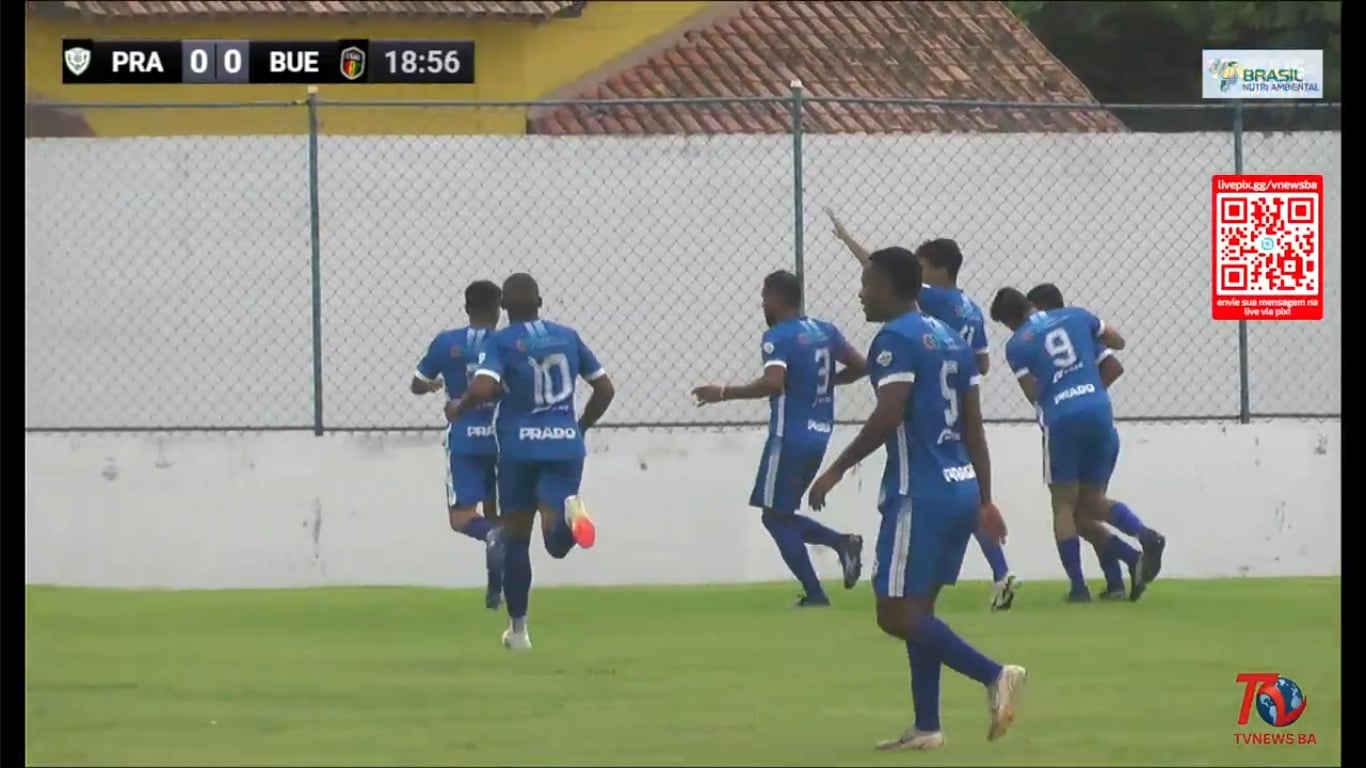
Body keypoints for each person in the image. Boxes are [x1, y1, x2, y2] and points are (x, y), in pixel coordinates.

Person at [809, 248, 1026, 750]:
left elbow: (889, 414)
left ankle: (995, 674)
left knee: (893, 613)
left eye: (867, 284)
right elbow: (973, 425)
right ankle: (927, 726)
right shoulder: (951, 338)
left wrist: (837, 469)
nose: (861, 294)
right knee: (919, 609)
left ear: (890, 287)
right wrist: (985, 497)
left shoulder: (895, 339)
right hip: (959, 486)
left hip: (919, 493)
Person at [825, 209, 1017, 612]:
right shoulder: (971, 310)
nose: (920, 272)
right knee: (965, 494)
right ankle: (1000, 571)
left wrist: (846, 238)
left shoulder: (928, 302)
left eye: (924, 265)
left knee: (898, 608)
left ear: (940, 270)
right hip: (956, 408)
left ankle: (988, 597)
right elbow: (981, 365)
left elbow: (884, 272)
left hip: (926, 415)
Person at [447, 273, 615, 651]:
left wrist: (461, 406)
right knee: (556, 543)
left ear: (504, 307)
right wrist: (580, 427)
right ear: (540, 302)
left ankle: (519, 630)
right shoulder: (568, 337)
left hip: (519, 449)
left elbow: (483, 386)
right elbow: (605, 388)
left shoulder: (500, 341)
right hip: (565, 447)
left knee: (517, 539)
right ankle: (571, 517)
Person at [692, 271, 867, 606]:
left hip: (789, 436)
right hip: (820, 433)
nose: (762, 304)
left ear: (775, 298)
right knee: (780, 514)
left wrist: (724, 393)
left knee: (774, 517)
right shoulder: (825, 331)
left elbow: (774, 383)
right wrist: (827, 384)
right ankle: (841, 545)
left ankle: (817, 590)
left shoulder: (778, 337)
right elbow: (861, 366)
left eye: (764, 298)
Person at [989, 287, 1157, 604]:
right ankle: (1141, 541)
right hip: (1099, 412)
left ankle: (1079, 587)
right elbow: (1118, 346)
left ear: (1009, 321)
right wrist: (1085, 384)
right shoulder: (1077, 318)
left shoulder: (1017, 344)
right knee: (1090, 505)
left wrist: (1059, 388)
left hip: (1062, 421)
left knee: (1064, 507)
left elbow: (1033, 394)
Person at [410, 280, 505, 610]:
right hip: (501, 438)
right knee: (499, 514)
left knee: (461, 516)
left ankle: (488, 536)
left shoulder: (446, 342)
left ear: (467, 308)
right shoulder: (506, 343)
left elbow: (417, 383)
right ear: (498, 309)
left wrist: (434, 385)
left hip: (464, 437)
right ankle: (499, 584)